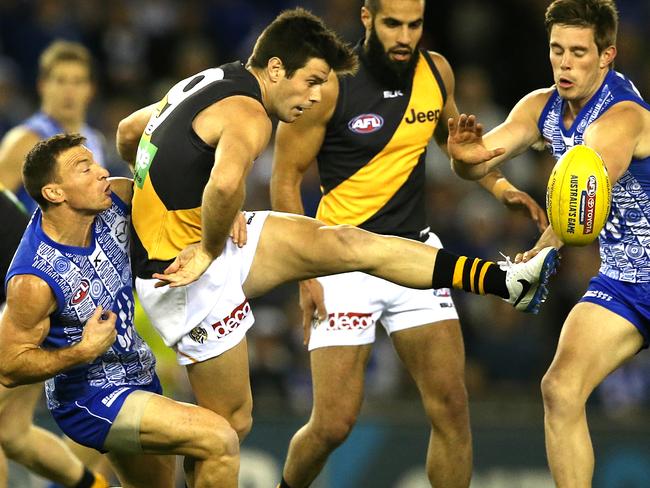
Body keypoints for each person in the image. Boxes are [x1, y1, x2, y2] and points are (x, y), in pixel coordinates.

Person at [116, 7, 558, 476]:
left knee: (349, 245)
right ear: (275, 69)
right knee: (228, 425)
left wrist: (168, 199)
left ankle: (507, 280)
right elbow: (224, 188)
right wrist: (206, 240)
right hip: (185, 271)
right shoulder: (253, 116)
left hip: (211, 239)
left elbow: (131, 135)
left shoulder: (215, 78)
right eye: (309, 82)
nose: (312, 96)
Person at [270, 1, 549, 487]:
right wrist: (305, 273)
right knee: (333, 425)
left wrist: (501, 188)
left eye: (414, 24)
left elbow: (457, 147)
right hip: (341, 264)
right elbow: (284, 180)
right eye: (392, 24)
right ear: (366, 19)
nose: (404, 36)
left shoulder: (437, 72)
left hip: (416, 257)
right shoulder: (328, 84)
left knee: (452, 409)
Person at [446, 1, 650, 486]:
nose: (564, 62)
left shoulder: (622, 117)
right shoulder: (542, 107)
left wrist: (542, 248)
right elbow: (478, 160)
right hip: (625, 282)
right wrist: (461, 157)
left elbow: (584, 195)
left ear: (607, 56)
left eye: (579, 52)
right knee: (560, 389)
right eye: (557, 50)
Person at [0, 134, 240, 488]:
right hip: (91, 398)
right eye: (84, 169)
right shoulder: (33, 279)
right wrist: (82, 350)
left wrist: (217, 217)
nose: (101, 172)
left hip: (139, 375)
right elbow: (9, 366)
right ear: (55, 193)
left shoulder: (117, 198)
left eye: (96, 163)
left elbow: (170, 179)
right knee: (220, 439)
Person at [0, 40, 105, 215]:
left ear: (90, 89)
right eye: (60, 80)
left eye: (78, 81)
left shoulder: (94, 140)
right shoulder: (25, 140)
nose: (69, 91)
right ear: (42, 86)